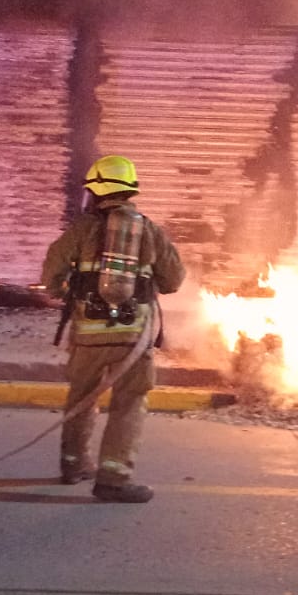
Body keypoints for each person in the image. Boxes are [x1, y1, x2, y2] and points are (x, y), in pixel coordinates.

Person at [40, 154, 185, 504]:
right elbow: (174, 281)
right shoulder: (148, 230)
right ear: (130, 190)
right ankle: (113, 479)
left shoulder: (81, 229)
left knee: (82, 397)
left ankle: (73, 465)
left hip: (88, 335)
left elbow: (50, 278)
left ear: (96, 191)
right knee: (128, 403)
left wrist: (69, 296)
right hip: (132, 338)